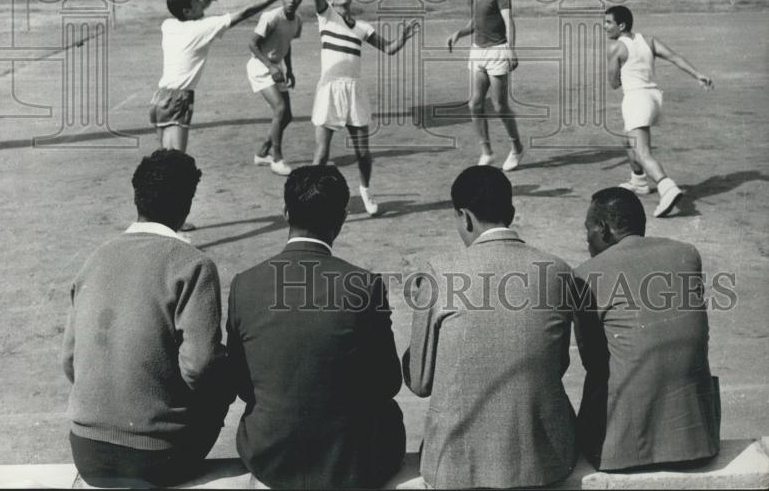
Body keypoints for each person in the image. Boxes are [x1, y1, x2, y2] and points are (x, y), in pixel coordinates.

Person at [226, 165, 406, 490]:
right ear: (342, 219)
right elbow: (388, 382)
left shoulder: (245, 285)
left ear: (285, 213)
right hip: (350, 459)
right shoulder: (365, 285)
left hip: (269, 456)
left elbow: (242, 385)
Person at [62, 150, 233, 489]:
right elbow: (200, 368)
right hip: (158, 456)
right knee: (221, 376)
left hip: (86, 451)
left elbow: (69, 362)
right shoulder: (193, 264)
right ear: (187, 205)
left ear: (136, 196)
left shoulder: (96, 257)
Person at [403, 166, 578, 489]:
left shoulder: (439, 272)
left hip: (456, 462)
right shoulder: (558, 270)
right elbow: (557, 362)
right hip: (543, 458)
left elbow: (419, 381)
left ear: (465, 217)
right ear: (511, 213)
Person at [575, 187, 720, 471]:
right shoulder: (686, 254)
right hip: (697, 439)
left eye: (588, 229)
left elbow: (593, 362)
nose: (586, 238)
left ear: (604, 230)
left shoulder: (586, 274)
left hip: (625, 447)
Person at [294, 0, 417, 215]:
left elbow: (389, 49)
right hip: (330, 89)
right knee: (322, 154)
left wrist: (403, 37)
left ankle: (366, 194)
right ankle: (306, 200)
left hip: (354, 90)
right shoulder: (326, 16)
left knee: (363, 152)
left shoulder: (362, 27)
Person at [149, 0, 299, 152]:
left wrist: (204, 4)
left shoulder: (168, 25)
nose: (199, 2)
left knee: (164, 160)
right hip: (178, 99)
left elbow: (191, 14)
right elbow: (244, 13)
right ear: (187, 11)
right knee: (176, 161)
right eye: (195, 0)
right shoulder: (202, 28)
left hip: (159, 99)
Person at [605, 4, 714, 217]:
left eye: (609, 23)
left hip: (636, 100)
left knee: (642, 152)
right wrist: (697, 74)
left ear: (622, 25)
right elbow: (674, 57)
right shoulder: (649, 40)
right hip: (654, 99)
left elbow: (613, 83)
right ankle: (638, 182)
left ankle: (667, 188)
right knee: (627, 141)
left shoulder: (616, 48)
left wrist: (619, 70)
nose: (605, 27)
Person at [446, 0, 523, 171]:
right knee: (475, 104)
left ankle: (517, 148)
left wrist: (510, 49)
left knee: (499, 106)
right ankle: (487, 152)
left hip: (498, 51)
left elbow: (509, 22)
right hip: (478, 52)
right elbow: (475, 22)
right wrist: (458, 34)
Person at [247, 0, 304, 177]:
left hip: (277, 67)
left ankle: (262, 152)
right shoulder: (271, 17)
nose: (291, 0)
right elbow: (252, 44)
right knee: (279, 108)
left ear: (300, 1)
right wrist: (270, 67)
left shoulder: (297, 21)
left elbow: (286, 45)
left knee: (287, 116)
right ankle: (277, 158)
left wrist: (290, 70)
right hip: (260, 65)